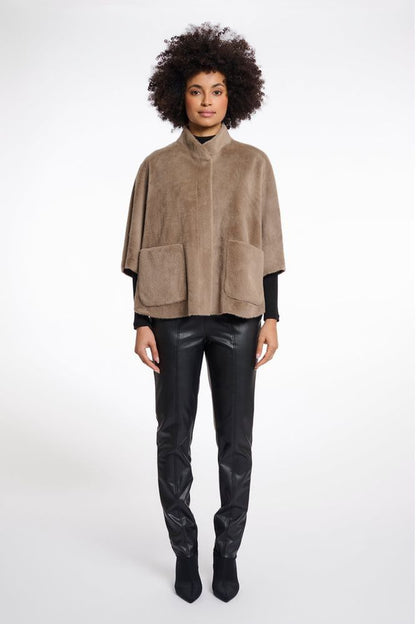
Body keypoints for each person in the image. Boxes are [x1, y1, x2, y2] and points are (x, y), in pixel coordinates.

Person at [121, 22, 286, 603]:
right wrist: (141, 322)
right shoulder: (156, 166)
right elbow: (141, 247)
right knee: (173, 437)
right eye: (196, 90)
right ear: (179, 95)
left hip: (239, 314)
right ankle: (184, 550)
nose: (207, 101)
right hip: (173, 315)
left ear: (232, 94)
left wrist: (272, 316)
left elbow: (267, 243)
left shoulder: (255, 164)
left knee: (235, 442)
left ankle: (227, 551)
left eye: (217, 90)